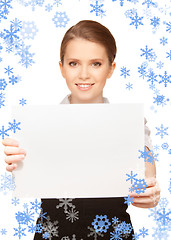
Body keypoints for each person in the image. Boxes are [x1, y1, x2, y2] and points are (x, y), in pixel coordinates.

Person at [2, 20, 160, 239]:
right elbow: (26, 179)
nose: (84, 74)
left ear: (110, 69)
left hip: (112, 233)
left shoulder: (130, 123)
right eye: (74, 63)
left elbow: (147, 176)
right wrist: (16, 163)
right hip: (54, 234)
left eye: (96, 63)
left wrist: (151, 192)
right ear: (62, 68)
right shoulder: (38, 126)